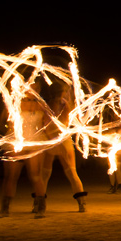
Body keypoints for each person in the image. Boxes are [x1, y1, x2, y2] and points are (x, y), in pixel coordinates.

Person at [0, 80, 48, 218]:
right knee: (10, 176)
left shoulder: (42, 105)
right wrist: (11, 130)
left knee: (36, 176)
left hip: (35, 142)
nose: (32, 88)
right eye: (30, 86)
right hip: (15, 142)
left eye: (36, 87)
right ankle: (4, 208)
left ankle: (41, 206)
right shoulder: (14, 104)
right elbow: (0, 121)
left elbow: (50, 124)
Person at [41, 82, 88, 212]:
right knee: (71, 172)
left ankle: (40, 204)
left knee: (45, 174)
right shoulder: (66, 104)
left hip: (54, 140)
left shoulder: (52, 105)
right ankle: (81, 203)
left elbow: (46, 123)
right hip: (62, 140)